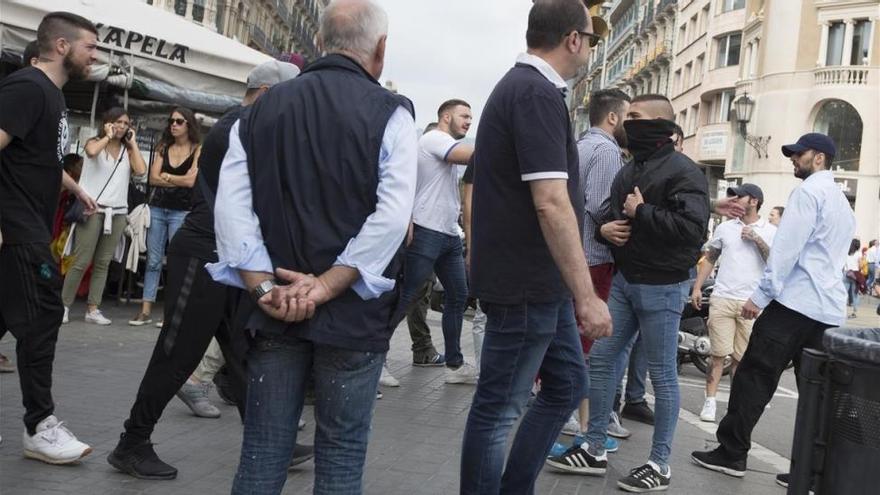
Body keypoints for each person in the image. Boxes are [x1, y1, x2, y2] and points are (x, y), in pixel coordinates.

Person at [210, 1, 417, 492]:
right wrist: (325, 287)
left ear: (319, 43)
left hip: (276, 306)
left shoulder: (260, 111)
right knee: (341, 453)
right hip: (352, 315)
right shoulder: (392, 112)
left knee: (263, 449)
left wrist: (265, 291)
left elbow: (232, 210)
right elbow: (392, 217)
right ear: (381, 50)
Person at [107, 60, 303, 480]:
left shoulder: (247, 125)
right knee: (177, 352)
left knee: (244, 354)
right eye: (292, 99)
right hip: (204, 254)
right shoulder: (239, 127)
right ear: (268, 95)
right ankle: (131, 444)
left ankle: (272, 444)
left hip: (231, 258)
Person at [461, 1, 612, 492]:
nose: (590, 48)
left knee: (567, 384)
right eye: (590, 39)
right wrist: (586, 296)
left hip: (535, 284)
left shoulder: (528, 91)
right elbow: (550, 202)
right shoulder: (534, 94)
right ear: (573, 39)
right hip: (525, 284)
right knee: (500, 406)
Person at [549, 94, 709, 493]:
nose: (627, 122)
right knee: (601, 362)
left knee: (662, 376)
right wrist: (606, 227)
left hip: (663, 286)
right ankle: (594, 446)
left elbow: (693, 231)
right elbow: (607, 211)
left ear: (661, 124)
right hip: (625, 281)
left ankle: (659, 464)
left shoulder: (685, 171)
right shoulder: (629, 168)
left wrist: (643, 213)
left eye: (636, 116)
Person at [691, 133, 855, 487]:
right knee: (819, 393)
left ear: (820, 158)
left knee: (753, 376)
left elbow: (786, 251)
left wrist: (760, 296)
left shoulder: (808, 193)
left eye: (800, 154)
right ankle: (815, 472)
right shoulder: (842, 202)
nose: (794, 159)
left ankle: (732, 453)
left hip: (794, 304)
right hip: (827, 310)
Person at [0, 10, 98, 464]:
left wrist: (75, 186)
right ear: (61, 46)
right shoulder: (27, 88)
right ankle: (39, 426)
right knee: (41, 322)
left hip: (29, 228)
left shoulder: (52, 96)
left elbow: (35, 158)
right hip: (19, 231)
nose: (95, 55)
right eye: (89, 47)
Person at [565, 88, 631, 441]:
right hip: (594, 255)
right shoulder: (606, 150)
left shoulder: (579, 145)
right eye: (628, 116)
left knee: (570, 336)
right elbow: (601, 204)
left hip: (573, 252)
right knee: (586, 343)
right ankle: (571, 412)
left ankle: (569, 409)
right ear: (613, 117)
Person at [396, 98, 476, 384]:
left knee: (457, 296)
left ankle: (455, 365)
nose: (468, 121)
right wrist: (503, 144)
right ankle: (372, 357)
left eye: (471, 117)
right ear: (445, 117)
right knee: (407, 296)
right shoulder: (434, 139)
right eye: (463, 115)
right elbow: (470, 156)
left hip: (448, 235)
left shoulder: (445, 143)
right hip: (426, 230)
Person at [692, 184, 776, 423]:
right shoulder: (725, 228)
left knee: (742, 359)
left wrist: (757, 239)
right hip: (722, 297)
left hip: (753, 302)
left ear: (754, 201)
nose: (735, 200)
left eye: (740, 196)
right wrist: (698, 287)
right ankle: (710, 401)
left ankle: (734, 405)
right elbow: (710, 257)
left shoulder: (771, 231)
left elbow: (775, 263)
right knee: (717, 355)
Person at [61, 108, 147, 325]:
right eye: (117, 122)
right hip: (92, 209)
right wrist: (107, 136)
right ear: (107, 123)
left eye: (126, 123)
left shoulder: (128, 151)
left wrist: (133, 143)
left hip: (117, 212)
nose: (122, 126)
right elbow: (90, 153)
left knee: (103, 262)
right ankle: (63, 305)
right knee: (81, 260)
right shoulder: (94, 141)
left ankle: (93, 308)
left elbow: (141, 170)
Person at [129, 107, 201, 326]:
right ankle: (145, 310)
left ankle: (168, 312)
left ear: (189, 124)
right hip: (159, 208)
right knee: (153, 260)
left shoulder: (197, 149)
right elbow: (152, 177)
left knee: (176, 261)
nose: (174, 125)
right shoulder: (163, 146)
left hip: (182, 211)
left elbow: (191, 182)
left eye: (179, 121)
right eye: (171, 121)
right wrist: (176, 178)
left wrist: (166, 176)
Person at [844, 239, 862, 318]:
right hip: (855, 274)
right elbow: (860, 265)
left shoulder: (846, 252)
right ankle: (855, 312)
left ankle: (842, 311)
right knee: (855, 294)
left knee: (844, 293)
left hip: (846, 273)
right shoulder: (858, 254)